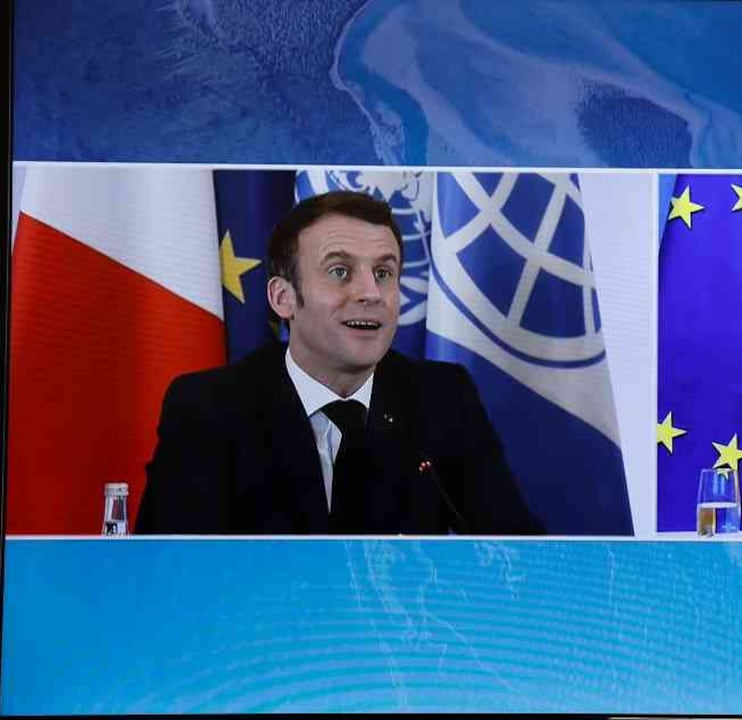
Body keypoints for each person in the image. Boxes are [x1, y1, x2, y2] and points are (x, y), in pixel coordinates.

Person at [137, 191, 543, 535]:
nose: (371, 293)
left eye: (384, 272)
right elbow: (168, 571)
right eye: (340, 271)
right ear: (283, 298)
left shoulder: (442, 399)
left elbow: (517, 557)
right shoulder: (209, 408)